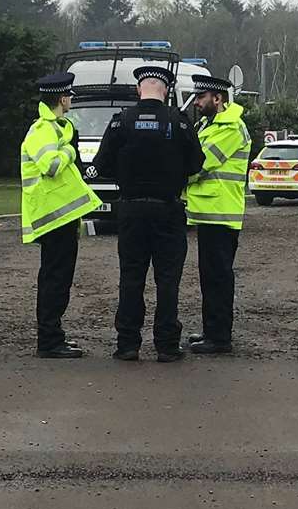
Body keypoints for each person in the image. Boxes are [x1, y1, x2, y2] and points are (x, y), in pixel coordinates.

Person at [92, 64, 202, 361]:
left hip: (131, 209)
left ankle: (128, 343)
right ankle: (166, 345)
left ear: (139, 89)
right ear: (165, 91)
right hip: (168, 210)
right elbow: (196, 164)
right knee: (167, 280)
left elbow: (101, 165)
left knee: (131, 277)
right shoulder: (179, 122)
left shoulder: (121, 122)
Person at [21, 72, 102, 358]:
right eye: (69, 96)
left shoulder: (57, 127)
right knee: (55, 280)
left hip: (60, 216)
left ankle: (54, 336)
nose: (71, 101)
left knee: (58, 279)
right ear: (62, 98)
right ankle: (49, 340)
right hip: (52, 216)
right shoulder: (43, 129)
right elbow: (51, 165)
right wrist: (69, 150)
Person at [183, 74, 248, 354]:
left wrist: (171, 177)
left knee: (219, 276)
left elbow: (200, 164)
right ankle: (211, 331)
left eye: (201, 97)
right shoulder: (210, 125)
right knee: (209, 276)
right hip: (209, 212)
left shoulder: (231, 127)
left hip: (221, 212)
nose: (197, 102)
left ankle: (220, 338)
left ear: (218, 99)